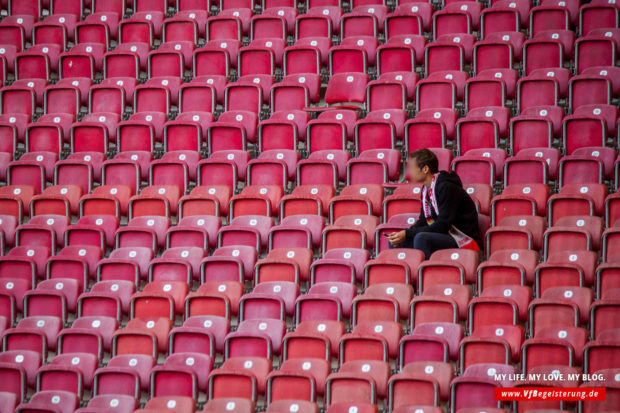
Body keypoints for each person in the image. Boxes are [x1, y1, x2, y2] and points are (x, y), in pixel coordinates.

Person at [387, 148, 480, 259]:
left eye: (411, 168)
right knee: (396, 241)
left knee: (421, 238)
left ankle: (424, 274)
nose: (408, 172)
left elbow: (442, 225)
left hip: (460, 237)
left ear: (425, 169)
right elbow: (424, 221)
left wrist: (407, 234)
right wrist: (403, 234)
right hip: (444, 233)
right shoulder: (426, 189)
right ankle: (407, 275)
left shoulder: (446, 187)